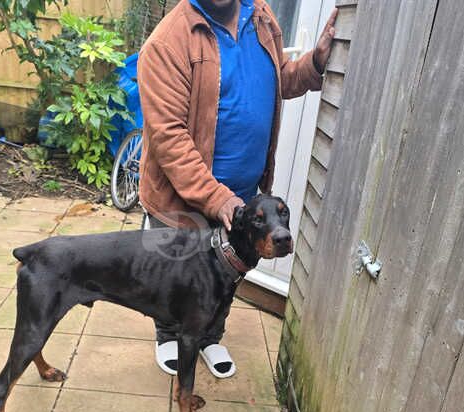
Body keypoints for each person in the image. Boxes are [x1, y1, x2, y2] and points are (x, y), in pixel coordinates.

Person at [138, 0, 337, 377]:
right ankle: (169, 336)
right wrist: (217, 198)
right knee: (176, 276)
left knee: (227, 273)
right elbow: (169, 139)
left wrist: (314, 63)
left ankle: (210, 336)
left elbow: (278, 80)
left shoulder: (261, 17)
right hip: (182, 198)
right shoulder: (168, 41)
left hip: (243, 194)